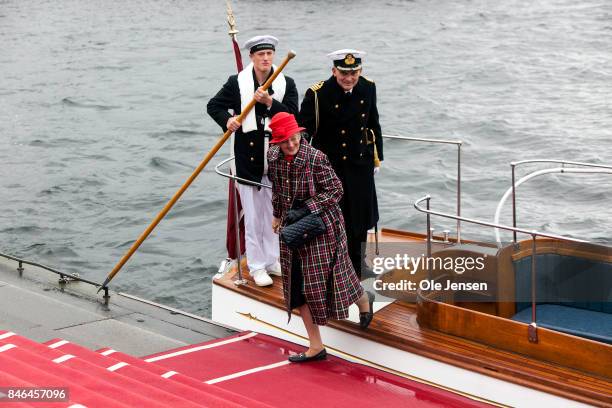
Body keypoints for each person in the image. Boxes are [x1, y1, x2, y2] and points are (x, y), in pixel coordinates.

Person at [267, 112, 374, 363]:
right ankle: (316, 346)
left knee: (336, 277)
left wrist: (306, 208)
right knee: (298, 287)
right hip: (294, 230)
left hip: (323, 226)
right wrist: (277, 215)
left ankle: (362, 300)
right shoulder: (274, 158)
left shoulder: (316, 158)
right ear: (276, 144)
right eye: (284, 142)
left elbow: (336, 190)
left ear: (300, 134)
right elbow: (278, 191)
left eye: (293, 138)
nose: (291, 144)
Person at [207, 35, 299, 286]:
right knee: (254, 216)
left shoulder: (286, 83)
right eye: (261, 54)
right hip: (248, 161)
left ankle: (272, 260)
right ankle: (257, 265)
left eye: (269, 54)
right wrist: (228, 121)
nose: (266, 59)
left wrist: (269, 102)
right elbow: (214, 105)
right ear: (252, 57)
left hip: (278, 159)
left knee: (275, 213)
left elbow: (293, 115)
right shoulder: (237, 83)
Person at [298, 49, 383, 280]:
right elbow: (304, 132)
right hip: (331, 167)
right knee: (337, 218)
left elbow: (373, 123)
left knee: (362, 216)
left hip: (360, 163)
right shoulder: (317, 94)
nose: (349, 78)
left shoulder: (368, 87)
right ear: (334, 71)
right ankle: (337, 265)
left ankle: (359, 264)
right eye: (344, 72)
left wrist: (378, 157)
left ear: (360, 71)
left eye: (354, 72)